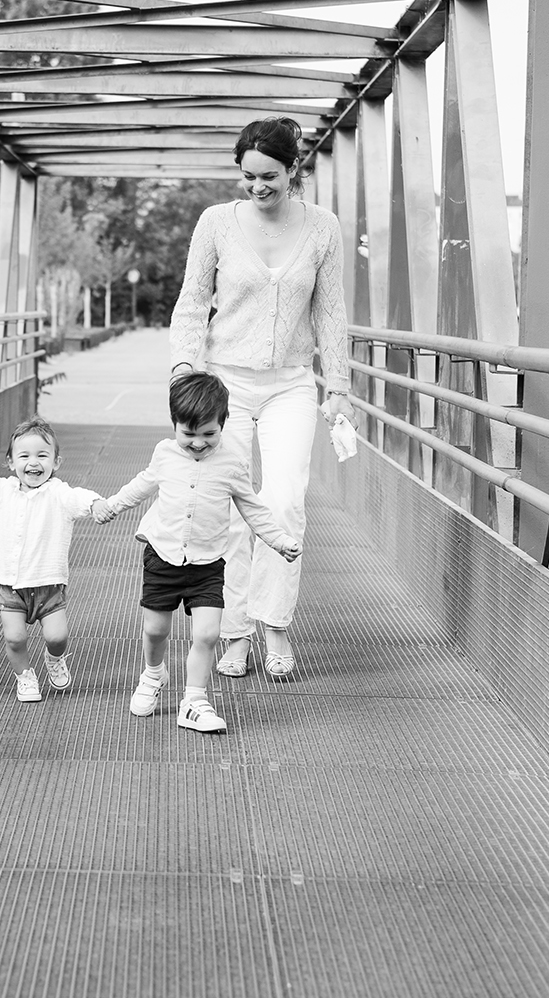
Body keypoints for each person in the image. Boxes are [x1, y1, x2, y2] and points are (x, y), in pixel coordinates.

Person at [167, 116, 353, 681]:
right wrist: (183, 369)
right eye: (248, 176)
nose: (257, 186)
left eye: (269, 175)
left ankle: (275, 625)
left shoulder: (323, 228)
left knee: (283, 501)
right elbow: (192, 301)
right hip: (225, 383)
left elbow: (331, 311)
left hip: (291, 383)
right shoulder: (216, 222)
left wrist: (339, 386)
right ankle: (234, 632)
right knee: (228, 506)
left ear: (293, 168)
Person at [94, 372, 301, 734]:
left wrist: (279, 540)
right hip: (163, 558)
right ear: (174, 423)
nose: (199, 443)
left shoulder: (232, 464)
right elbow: (142, 485)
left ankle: (194, 701)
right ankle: (153, 674)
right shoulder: (165, 454)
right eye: (189, 434)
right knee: (155, 630)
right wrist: (111, 506)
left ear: (223, 424)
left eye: (209, 433)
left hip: (207, 565)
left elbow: (253, 509)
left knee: (206, 634)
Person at [0, 416, 105, 703]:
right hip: (8, 584)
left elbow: (78, 497)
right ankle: (24, 675)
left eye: (42, 455)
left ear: (56, 462)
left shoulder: (58, 494)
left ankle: (54, 658)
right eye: (24, 456)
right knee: (15, 637)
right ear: (10, 462)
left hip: (47, 583)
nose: (33, 462)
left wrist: (95, 503)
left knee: (57, 637)